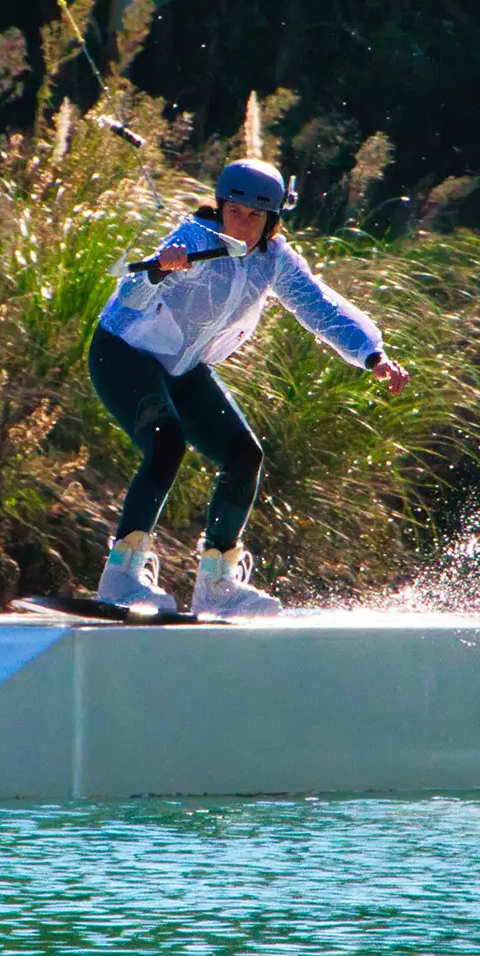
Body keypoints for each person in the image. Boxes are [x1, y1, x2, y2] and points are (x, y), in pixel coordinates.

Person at [87, 158, 410, 616]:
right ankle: (121, 576)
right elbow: (131, 294)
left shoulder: (273, 261)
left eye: (255, 217)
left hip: (182, 366)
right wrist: (161, 269)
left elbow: (322, 307)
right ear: (220, 207)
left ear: (272, 221)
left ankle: (217, 582)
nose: (242, 225)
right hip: (123, 353)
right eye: (235, 212)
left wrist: (372, 354)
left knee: (245, 455)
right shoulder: (194, 239)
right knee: (166, 442)